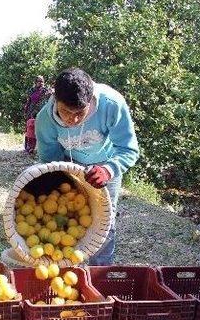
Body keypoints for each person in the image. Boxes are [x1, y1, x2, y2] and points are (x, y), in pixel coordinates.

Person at [35, 67, 139, 266]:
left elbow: (128, 149)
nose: (73, 120)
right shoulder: (45, 120)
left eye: (79, 113)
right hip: (70, 165)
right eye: (66, 112)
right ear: (55, 100)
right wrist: (63, 183)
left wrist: (108, 170)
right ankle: (65, 266)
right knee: (64, 215)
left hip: (106, 165)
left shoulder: (111, 105)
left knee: (104, 224)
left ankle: (98, 275)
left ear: (90, 100)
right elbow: (51, 161)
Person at [23, 75, 52, 154]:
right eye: (39, 81)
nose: (41, 83)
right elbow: (28, 101)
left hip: (42, 113)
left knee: (41, 130)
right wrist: (26, 110)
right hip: (31, 112)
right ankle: (29, 147)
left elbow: (51, 98)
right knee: (30, 129)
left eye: (42, 81)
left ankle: (42, 149)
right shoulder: (32, 90)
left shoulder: (47, 90)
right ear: (35, 82)